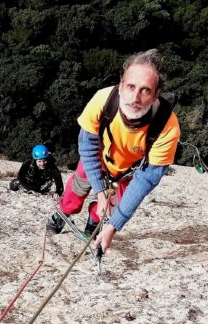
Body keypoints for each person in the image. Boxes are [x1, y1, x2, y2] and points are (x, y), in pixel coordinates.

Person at [46, 49, 180, 252]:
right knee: (78, 188)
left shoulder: (167, 127)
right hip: (99, 157)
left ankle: (95, 222)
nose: (135, 97)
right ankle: (63, 212)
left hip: (129, 171)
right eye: (131, 87)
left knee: (112, 206)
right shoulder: (103, 100)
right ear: (120, 86)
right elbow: (87, 146)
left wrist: (112, 227)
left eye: (145, 90)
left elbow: (145, 181)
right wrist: (100, 191)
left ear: (156, 95)